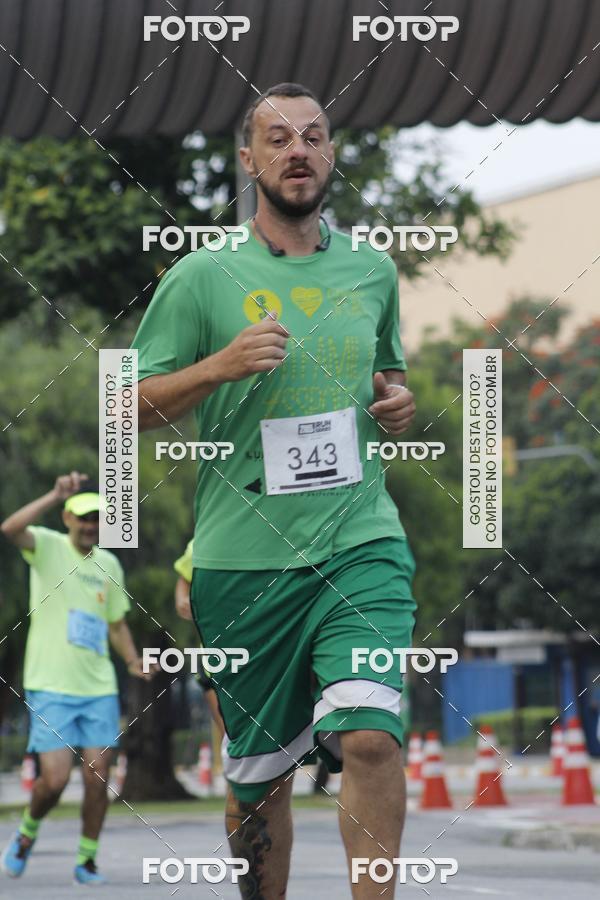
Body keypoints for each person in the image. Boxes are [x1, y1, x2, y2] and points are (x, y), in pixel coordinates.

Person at [133, 82, 417, 899]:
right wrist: (219, 365)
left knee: (370, 739)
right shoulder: (201, 277)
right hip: (244, 564)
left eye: (315, 136)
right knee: (261, 783)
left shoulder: (371, 269)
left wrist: (395, 401)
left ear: (332, 155)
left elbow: (387, 377)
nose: (299, 150)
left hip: (360, 541)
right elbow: (125, 412)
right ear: (249, 160)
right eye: (279, 137)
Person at [0, 472, 151, 886]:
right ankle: (28, 831)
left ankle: (86, 860)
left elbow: (116, 624)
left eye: (98, 519)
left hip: (98, 687)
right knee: (54, 779)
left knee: (97, 773)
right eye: (83, 517)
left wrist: (133, 659)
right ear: (68, 518)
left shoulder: (110, 564)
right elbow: (10, 528)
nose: (90, 525)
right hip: (49, 684)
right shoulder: (46, 547)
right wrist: (53, 493)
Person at [173, 539, 225, 737]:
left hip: (265, 656)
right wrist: (182, 600)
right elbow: (184, 579)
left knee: (274, 751)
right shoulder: (204, 539)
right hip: (216, 660)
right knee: (232, 742)